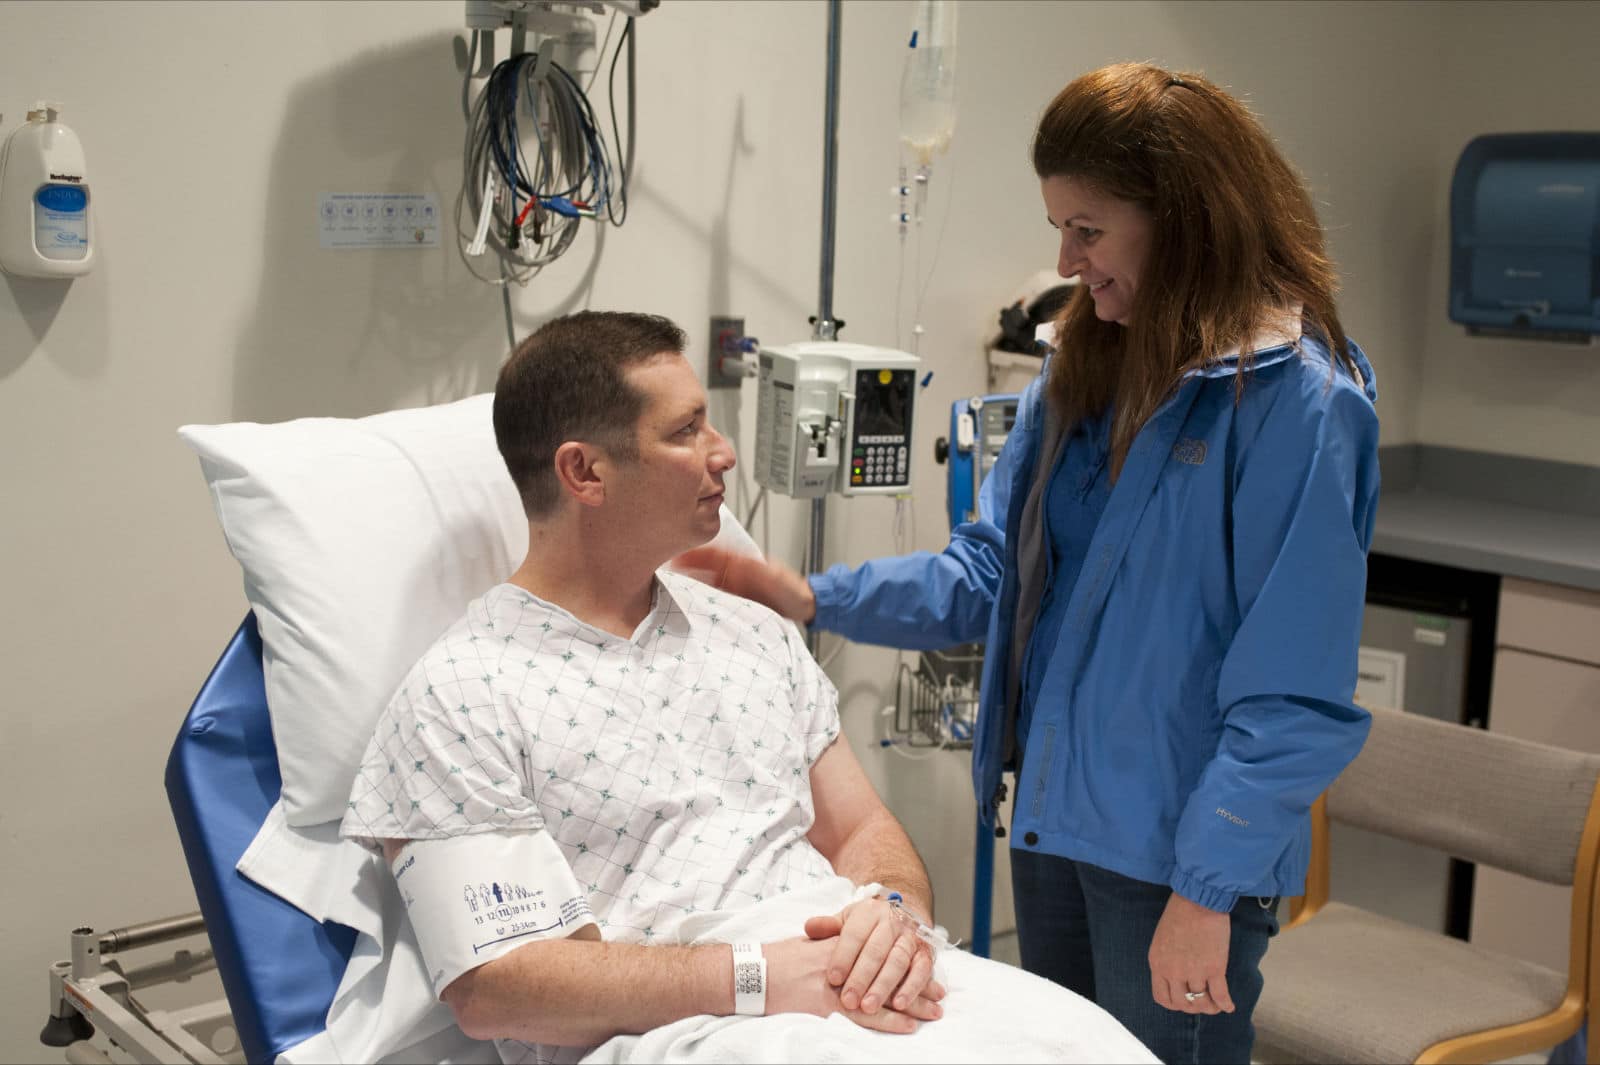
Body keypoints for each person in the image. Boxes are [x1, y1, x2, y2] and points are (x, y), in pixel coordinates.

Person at [675, 61, 1381, 1065]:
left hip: (1175, 861)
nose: (1065, 259)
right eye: (1058, 226)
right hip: (1052, 830)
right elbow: (988, 578)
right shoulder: (1084, 366)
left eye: (1088, 229)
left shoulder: (1296, 406)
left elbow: (1293, 696)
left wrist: (1205, 892)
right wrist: (807, 596)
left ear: (1183, 220)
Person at [341, 310, 1078, 1065]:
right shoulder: (462, 695)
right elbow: (495, 987)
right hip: (686, 1031)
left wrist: (894, 916)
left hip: (864, 984)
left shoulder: (752, 632)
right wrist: (756, 977)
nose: (723, 452)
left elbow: (861, 829)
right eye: (686, 430)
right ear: (584, 472)